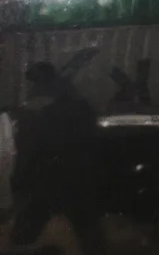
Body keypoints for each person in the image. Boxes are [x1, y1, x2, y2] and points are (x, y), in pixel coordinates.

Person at [9, 62, 103, 255]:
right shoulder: (78, 104)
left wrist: (19, 177)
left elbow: (30, 146)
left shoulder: (40, 106)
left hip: (49, 178)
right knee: (87, 229)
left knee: (25, 230)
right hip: (78, 177)